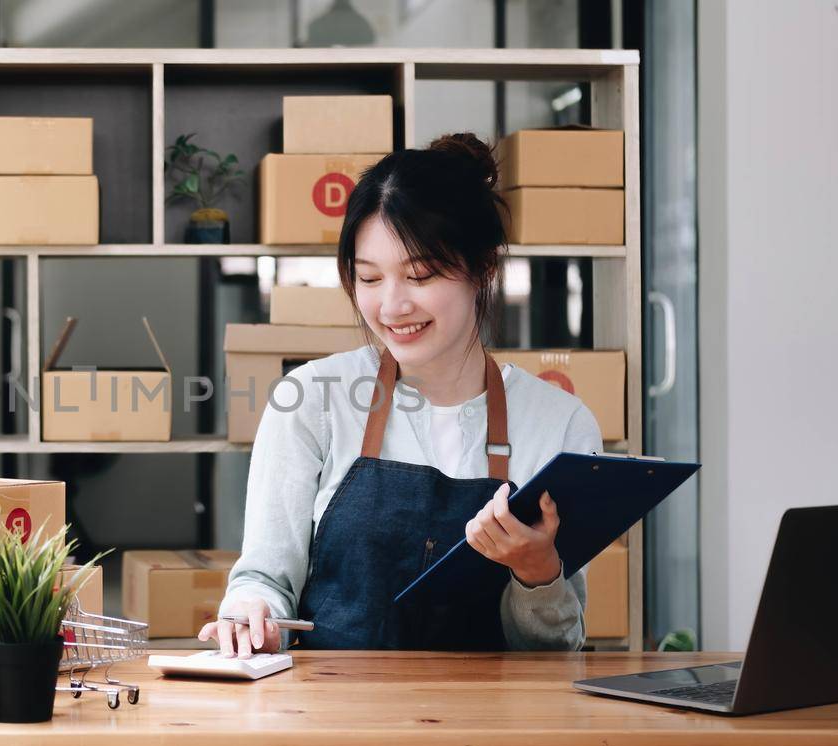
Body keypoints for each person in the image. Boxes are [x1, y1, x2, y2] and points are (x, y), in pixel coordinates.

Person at [200, 133, 598, 657]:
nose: (392, 306)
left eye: (420, 275)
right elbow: (264, 581)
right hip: (332, 723)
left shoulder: (560, 424)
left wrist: (538, 573)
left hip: (497, 730)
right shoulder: (311, 401)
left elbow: (557, 650)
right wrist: (253, 614)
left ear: (484, 268)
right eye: (369, 278)